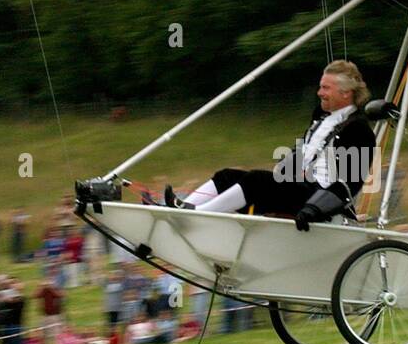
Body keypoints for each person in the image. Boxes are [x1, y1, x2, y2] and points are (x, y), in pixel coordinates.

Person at [78, 60, 377, 230]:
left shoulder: (357, 129)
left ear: (346, 93)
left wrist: (312, 209)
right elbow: (300, 158)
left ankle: (196, 218)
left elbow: (347, 184)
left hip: (319, 203)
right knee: (228, 175)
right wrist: (282, 171)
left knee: (257, 181)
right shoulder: (321, 121)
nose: (319, 92)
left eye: (325, 88)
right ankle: (188, 206)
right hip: (301, 188)